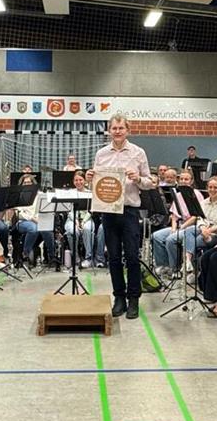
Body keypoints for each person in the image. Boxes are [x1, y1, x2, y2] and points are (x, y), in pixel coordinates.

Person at [87, 112, 154, 319]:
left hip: (130, 210)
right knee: (114, 258)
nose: (117, 132)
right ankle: (119, 298)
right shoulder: (101, 154)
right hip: (108, 212)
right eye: (114, 128)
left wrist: (138, 179)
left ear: (128, 130)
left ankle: (134, 299)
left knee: (132, 256)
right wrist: (90, 178)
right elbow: (97, 185)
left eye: (121, 128)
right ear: (109, 130)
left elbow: (150, 182)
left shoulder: (138, 153)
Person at [63, 170, 105, 268]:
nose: (78, 182)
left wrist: (84, 221)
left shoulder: (90, 193)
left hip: (87, 219)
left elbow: (91, 210)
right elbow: (68, 210)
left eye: (80, 180)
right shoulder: (70, 193)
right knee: (72, 231)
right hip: (72, 219)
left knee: (87, 229)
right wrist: (76, 221)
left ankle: (88, 258)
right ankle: (76, 257)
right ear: (73, 182)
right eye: (76, 180)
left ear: (84, 181)